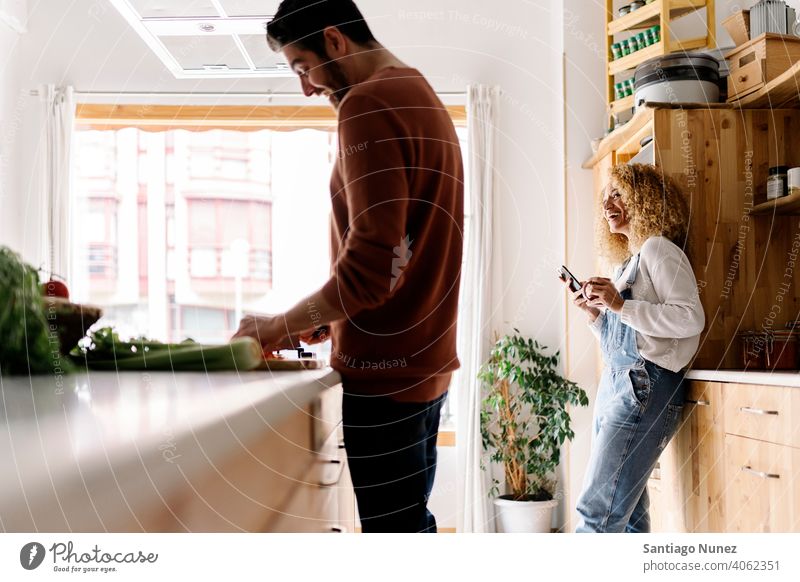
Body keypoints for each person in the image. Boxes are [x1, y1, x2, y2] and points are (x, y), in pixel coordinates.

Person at [233, 0, 464, 533]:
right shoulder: (418, 92)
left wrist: (274, 325)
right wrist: (324, 320)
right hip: (424, 370)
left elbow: (367, 268)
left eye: (302, 67)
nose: (307, 88)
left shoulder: (367, 103)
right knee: (408, 530)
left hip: (385, 381)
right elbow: (405, 251)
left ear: (335, 41)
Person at [566, 163, 705, 533]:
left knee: (598, 513)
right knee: (629, 517)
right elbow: (624, 339)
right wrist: (596, 315)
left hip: (646, 385)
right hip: (617, 385)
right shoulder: (628, 264)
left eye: (618, 193)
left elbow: (691, 319)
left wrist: (620, 305)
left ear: (642, 200)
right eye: (606, 196)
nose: (608, 203)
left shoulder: (659, 250)